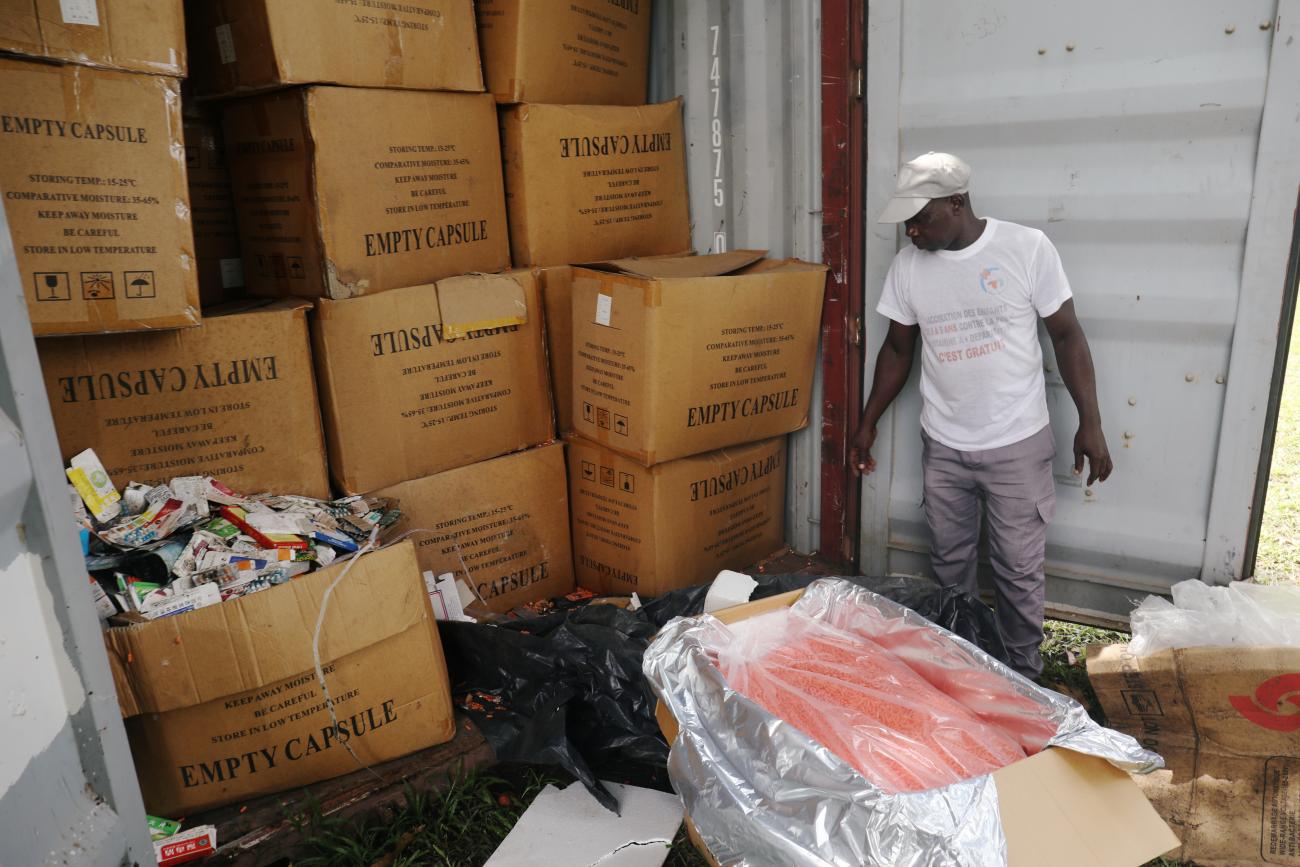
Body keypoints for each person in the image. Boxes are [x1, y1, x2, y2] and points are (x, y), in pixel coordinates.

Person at [851, 152, 1112, 679]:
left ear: (957, 202)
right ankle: (964, 667)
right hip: (944, 448)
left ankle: (1024, 676)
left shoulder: (1025, 249)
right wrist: (867, 421)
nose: (911, 231)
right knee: (950, 568)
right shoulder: (908, 268)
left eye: (921, 218)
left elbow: (1066, 335)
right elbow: (897, 350)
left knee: (1017, 570)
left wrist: (1091, 421)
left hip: (1017, 442)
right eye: (906, 220)